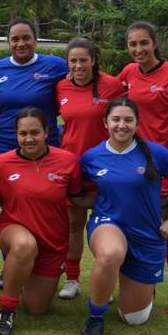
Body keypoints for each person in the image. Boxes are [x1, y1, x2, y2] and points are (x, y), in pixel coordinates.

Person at [78, 98, 168, 335]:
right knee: (110, 254)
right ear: (105, 123)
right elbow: (79, 193)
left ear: (137, 123)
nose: (122, 125)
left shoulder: (155, 153)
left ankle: (136, 284)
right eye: (116, 119)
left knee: (134, 318)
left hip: (146, 234)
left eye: (128, 120)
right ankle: (95, 316)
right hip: (108, 224)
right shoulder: (91, 157)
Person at [0, 107, 84, 335]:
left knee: (36, 309)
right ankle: (6, 311)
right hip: (13, 229)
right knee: (24, 245)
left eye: (34, 132)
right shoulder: (1, 163)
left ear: (46, 132)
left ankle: (22, 272)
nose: (28, 139)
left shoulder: (67, 161)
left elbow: (79, 197)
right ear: (16, 134)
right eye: (23, 133)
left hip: (53, 241)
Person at [117, 21, 168, 315]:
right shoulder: (127, 73)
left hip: (165, 165)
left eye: (143, 43)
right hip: (133, 165)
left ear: (154, 43)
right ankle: (144, 285)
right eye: (133, 44)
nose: (138, 49)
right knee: (138, 226)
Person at [55, 38, 125, 299]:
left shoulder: (112, 85)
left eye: (83, 59)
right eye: (73, 60)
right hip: (72, 165)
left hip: (107, 165)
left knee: (109, 224)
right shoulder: (60, 86)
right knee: (73, 224)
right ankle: (72, 279)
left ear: (93, 60)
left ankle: (107, 278)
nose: (78, 65)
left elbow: (124, 121)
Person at [0, 17, 68, 159]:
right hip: (6, 145)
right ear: (8, 43)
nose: (21, 44)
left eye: (26, 38)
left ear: (35, 40)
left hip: (46, 145)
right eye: (15, 39)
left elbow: (82, 82)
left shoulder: (56, 65)